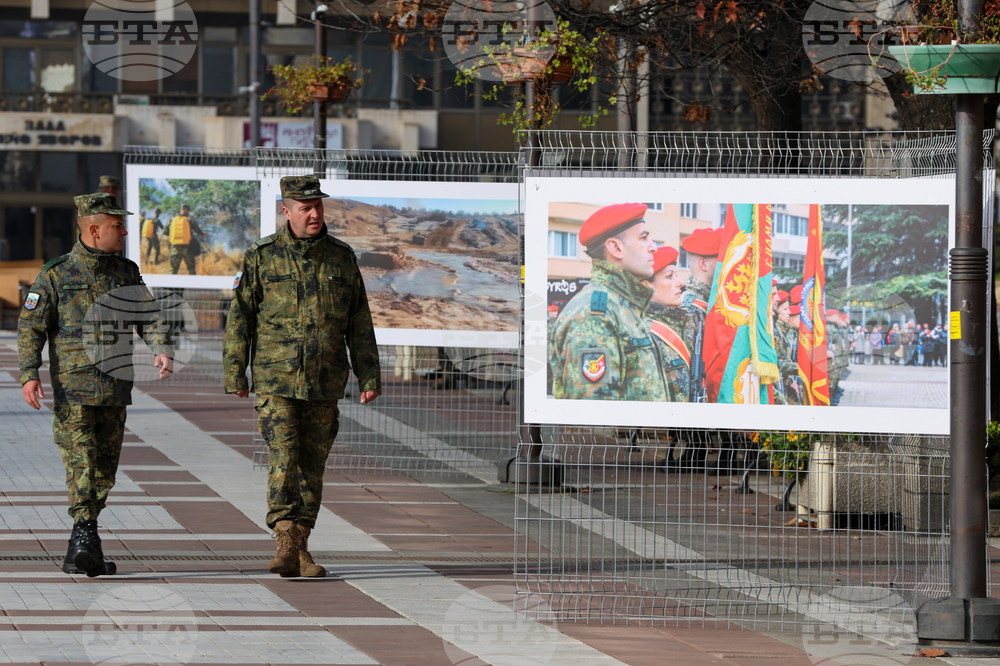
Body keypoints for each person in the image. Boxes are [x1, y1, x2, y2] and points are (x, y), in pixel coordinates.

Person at [224, 175, 382, 579]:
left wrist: (369, 376)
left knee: (312, 467)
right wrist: (234, 371)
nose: (314, 214)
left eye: (318, 207)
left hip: (325, 381)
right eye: (305, 208)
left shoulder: (341, 257)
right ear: (286, 210)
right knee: (284, 459)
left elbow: (359, 322)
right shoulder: (261, 256)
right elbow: (239, 316)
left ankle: (301, 547)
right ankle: (284, 539)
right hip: (276, 380)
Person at [18, 192, 173, 577]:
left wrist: (161, 347)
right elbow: (30, 326)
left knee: (104, 468)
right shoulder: (56, 274)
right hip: (74, 390)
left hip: (116, 389)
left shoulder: (126, 272)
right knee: (81, 462)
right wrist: (28, 374)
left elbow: (149, 316)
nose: (123, 231)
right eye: (117, 225)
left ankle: (83, 545)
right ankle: (84, 536)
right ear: (93, 229)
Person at [549, 202, 669, 401]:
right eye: (644, 237)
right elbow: (593, 423)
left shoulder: (624, 305)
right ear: (615, 248)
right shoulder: (595, 314)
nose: (653, 247)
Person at [679, 227, 725, 314]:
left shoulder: (710, 298)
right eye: (721, 258)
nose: (726, 263)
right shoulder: (692, 308)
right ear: (703, 264)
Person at [168, 203, 204, 275]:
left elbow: (166, 232)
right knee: (191, 268)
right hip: (187, 248)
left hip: (175, 248)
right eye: (188, 211)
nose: (189, 213)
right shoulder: (189, 220)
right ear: (186, 210)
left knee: (173, 269)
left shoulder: (171, 220)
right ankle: (191, 285)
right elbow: (198, 230)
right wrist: (203, 234)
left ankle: (170, 285)